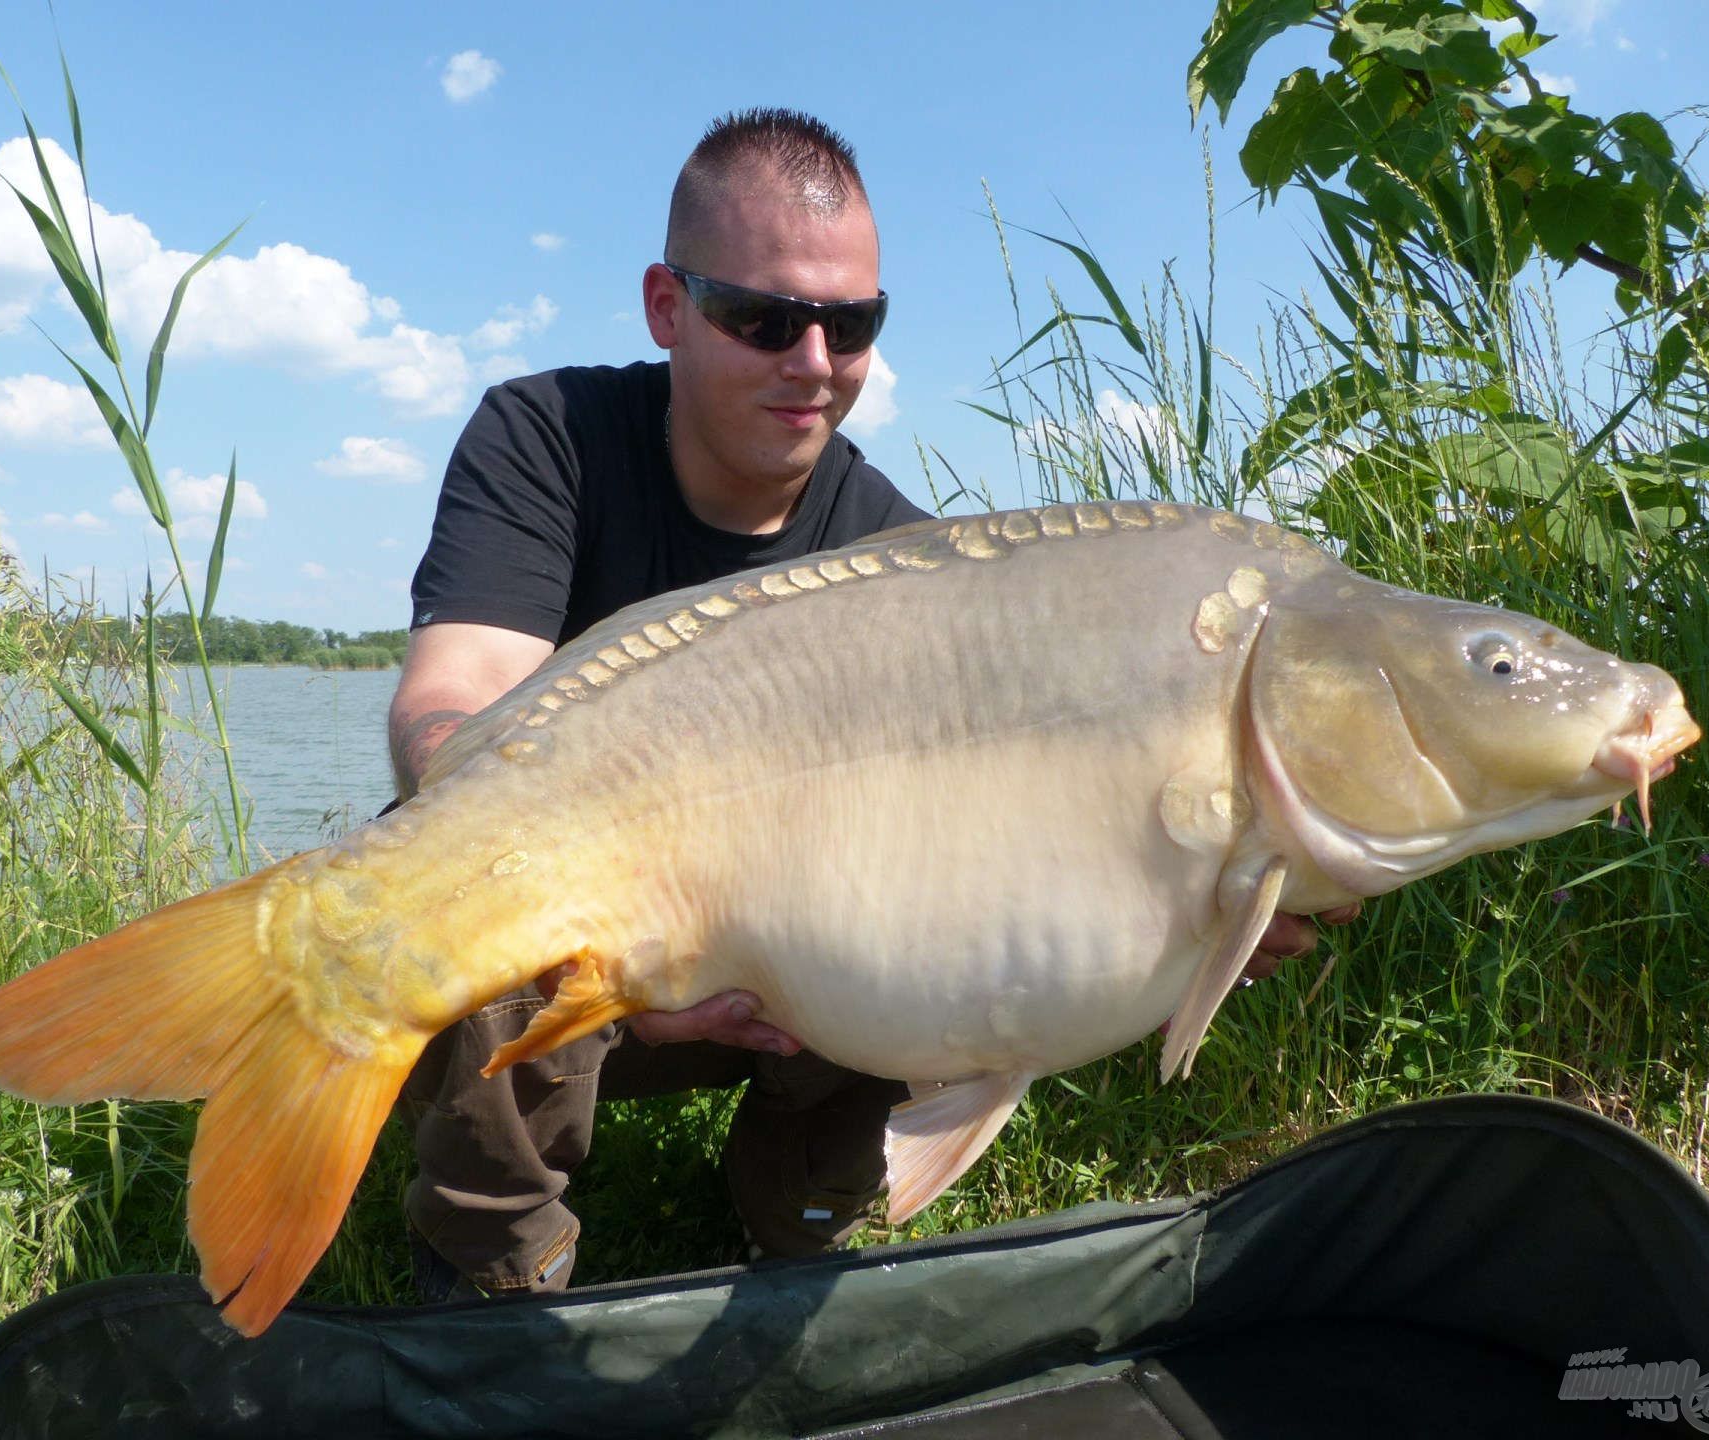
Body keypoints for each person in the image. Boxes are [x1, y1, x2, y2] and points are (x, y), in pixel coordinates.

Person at [387, 107, 1346, 1303]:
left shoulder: (902, 554)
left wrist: (1190, 906)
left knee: (921, 908)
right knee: (482, 852)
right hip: (594, 949)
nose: (815, 362)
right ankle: (494, 1262)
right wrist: (622, 944)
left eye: (853, 325)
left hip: (804, 973)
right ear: (666, 307)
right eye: (766, 318)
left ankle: (798, 1211)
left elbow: (1001, 827)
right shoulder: (547, 439)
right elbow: (451, 704)